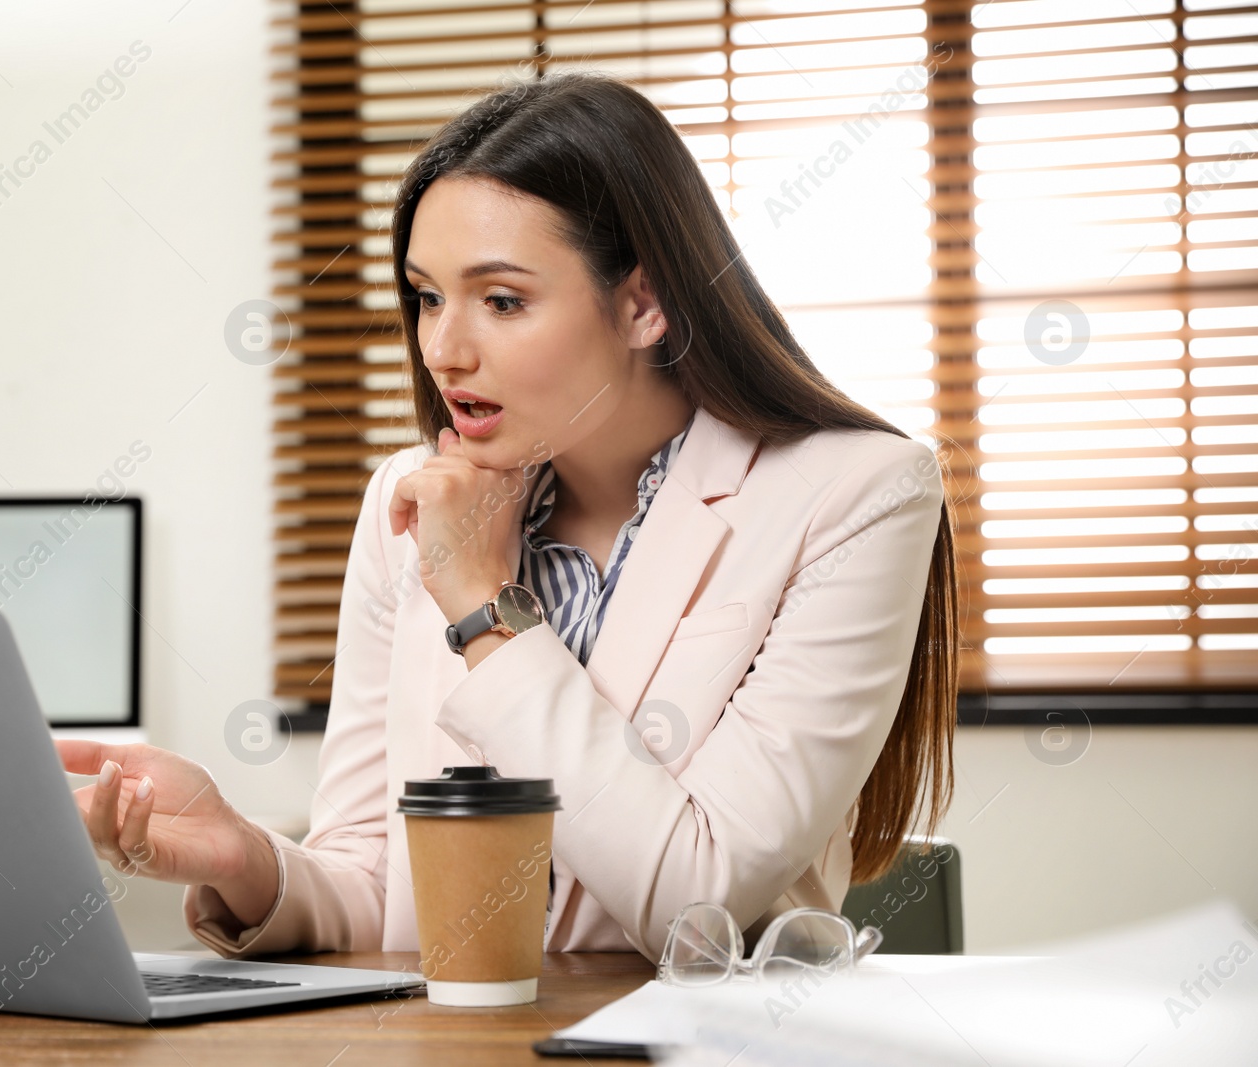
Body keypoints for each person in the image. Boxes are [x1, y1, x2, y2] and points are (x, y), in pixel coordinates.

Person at [56, 71, 959, 962]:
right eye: (426, 296)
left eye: (502, 300)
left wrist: (485, 602)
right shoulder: (408, 499)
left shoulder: (859, 494)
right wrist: (247, 859)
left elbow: (697, 902)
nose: (444, 348)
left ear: (644, 302)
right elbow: (381, 891)